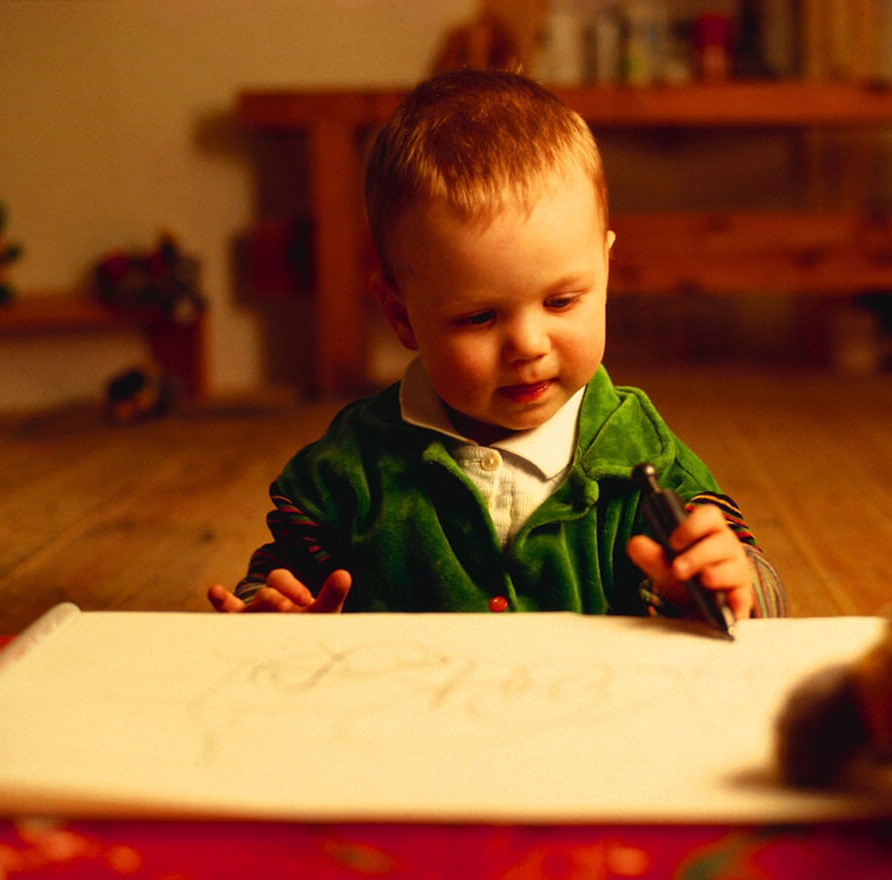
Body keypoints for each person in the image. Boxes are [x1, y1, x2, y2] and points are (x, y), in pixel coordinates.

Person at [208, 69, 787, 622]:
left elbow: (759, 592)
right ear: (401, 316)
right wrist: (270, 609)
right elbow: (279, 574)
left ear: (606, 273)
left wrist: (728, 585)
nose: (529, 345)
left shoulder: (642, 457)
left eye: (561, 302)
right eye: (480, 317)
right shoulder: (353, 467)